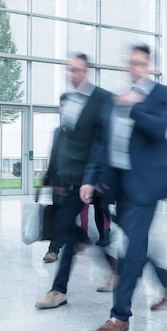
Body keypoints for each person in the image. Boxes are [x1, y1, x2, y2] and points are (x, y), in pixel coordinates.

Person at [93, 44, 167, 331]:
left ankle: (120, 316)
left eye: (141, 63)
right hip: (118, 187)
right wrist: (93, 179)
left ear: (150, 65)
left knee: (130, 251)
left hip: (145, 187)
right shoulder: (117, 100)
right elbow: (105, 142)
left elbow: (157, 128)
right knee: (137, 245)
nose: (135, 68)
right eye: (131, 63)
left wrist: (135, 104)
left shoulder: (162, 94)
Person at [35, 53, 113, 309]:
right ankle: (60, 289)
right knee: (66, 230)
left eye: (78, 70)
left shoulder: (101, 98)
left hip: (94, 180)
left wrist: (95, 178)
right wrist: (57, 176)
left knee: (71, 231)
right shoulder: (70, 102)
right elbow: (65, 143)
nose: (74, 75)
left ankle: (60, 289)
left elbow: (103, 141)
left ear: (87, 72)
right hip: (71, 181)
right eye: (70, 70)